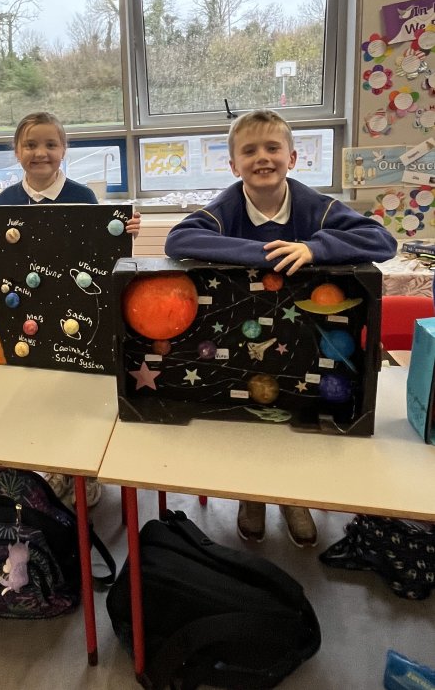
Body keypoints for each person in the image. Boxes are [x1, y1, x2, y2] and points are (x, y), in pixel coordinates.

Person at [165, 109, 397, 547]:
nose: (262, 158)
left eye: (273, 148)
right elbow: (179, 240)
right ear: (234, 165)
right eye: (249, 151)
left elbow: (382, 240)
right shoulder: (227, 207)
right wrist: (267, 254)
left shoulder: (315, 206)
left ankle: (294, 497)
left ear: (292, 158)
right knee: (246, 418)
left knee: (299, 415)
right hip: (243, 335)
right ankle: (251, 495)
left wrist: (314, 248)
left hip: (307, 336)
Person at [0, 110, 141, 508]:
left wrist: (126, 231)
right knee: (33, 397)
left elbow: (98, 254)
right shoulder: (6, 200)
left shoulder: (83, 197)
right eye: (31, 145)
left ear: (64, 149)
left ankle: (81, 472)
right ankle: (47, 469)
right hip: (21, 312)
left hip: (73, 313)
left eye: (51, 144)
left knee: (75, 395)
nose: (41, 153)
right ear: (17, 151)